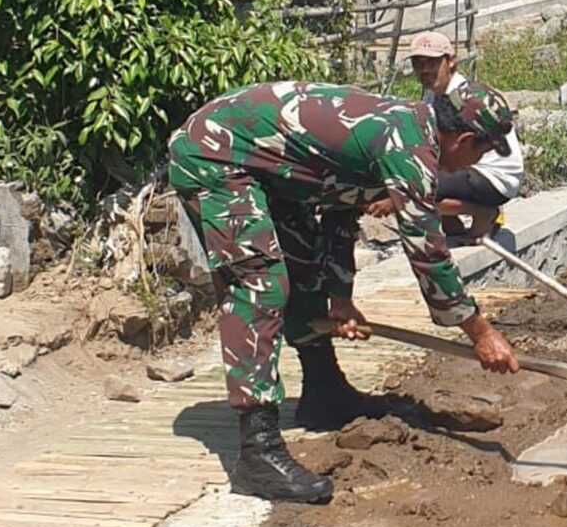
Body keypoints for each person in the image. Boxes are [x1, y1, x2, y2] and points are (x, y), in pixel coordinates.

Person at [168, 82, 520, 504]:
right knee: (260, 282)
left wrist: (340, 295)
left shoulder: (410, 131)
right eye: (479, 153)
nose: (473, 164)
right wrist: (480, 333)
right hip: (216, 154)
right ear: (462, 139)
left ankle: (324, 392)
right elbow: (428, 253)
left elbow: (339, 208)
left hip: (273, 170)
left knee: (304, 270)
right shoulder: (406, 148)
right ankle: (257, 452)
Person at [366, 31, 523, 241]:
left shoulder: (460, 99)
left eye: (431, 63)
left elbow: (454, 149)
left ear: (450, 61)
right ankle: (453, 225)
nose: (424, 70)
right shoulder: (436, 94)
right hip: (471, 168)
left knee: (418, 191)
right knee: (423, 179)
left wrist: (396, 199)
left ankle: (483, 212)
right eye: (418, 64)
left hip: (493, 175)